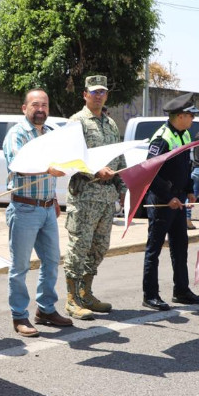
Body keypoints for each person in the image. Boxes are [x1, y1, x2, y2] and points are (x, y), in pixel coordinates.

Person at [1, 89, 74, 336]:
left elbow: (59, 163)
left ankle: (45, 309)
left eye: (44, 104)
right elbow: (18, 164)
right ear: (24, 108)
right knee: (20, 267)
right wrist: (48, 169)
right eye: (35, 104)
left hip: (46, 208)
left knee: (52, 262)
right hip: (24, 208)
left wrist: (53, 198)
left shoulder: (51, 133)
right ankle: (19, 316)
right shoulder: (17, 134)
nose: (40, 109)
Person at [63, 75, 126, 319]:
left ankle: (86, 292)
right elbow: (69, 157)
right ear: (85, 95)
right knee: (79, 247)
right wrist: (94, 170)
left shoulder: (110, 123)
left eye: (102, 92)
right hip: (85, 196)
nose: (98, 95)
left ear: (107, 95)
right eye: (94, 92)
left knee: (99, 248)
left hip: (106, 198)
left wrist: (122, 185)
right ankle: (71, 299)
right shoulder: (76, 122)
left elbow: (119, 159)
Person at [142, 93, 199, 310]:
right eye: (190, 115)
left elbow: (185, 166)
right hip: (162, 201)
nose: (193, 119)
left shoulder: (184, 134)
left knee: (180, 247)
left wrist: (189, 190)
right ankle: (150, 295)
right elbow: (149, 173)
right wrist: (168, 197)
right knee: (154, 248)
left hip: (178, 200)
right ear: (180, 116)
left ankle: (181, 290)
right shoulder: (162, 137)